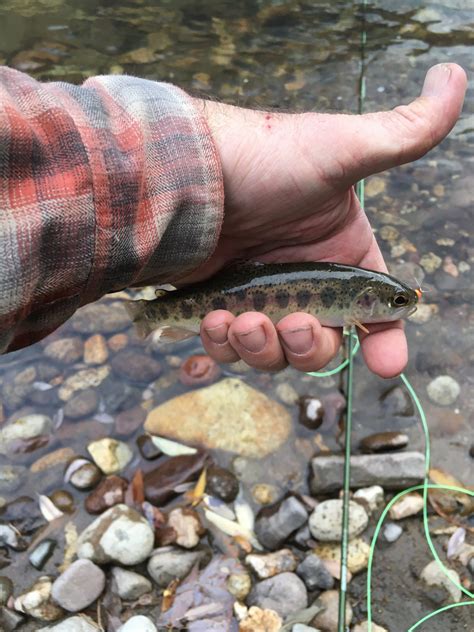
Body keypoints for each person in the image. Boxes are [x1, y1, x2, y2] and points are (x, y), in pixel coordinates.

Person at [0, 63, 467, 377]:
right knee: (251, 331)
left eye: (401, 300)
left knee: (253, 332)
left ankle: (158, 313)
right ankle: (156, 314)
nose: (404, 303)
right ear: (364, 303)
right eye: (398, 300)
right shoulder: (354, 287)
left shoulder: (354, 286)